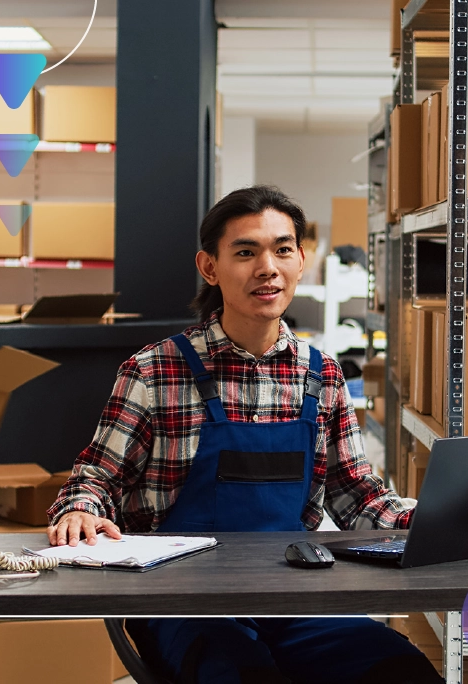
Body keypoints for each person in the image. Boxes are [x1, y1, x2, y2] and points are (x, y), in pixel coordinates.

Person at [47, 185, 442, 684]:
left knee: (401, 671)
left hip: (291, 597)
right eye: (245, 252)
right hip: (182, 605)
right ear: (209, 267)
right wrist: (81, 508)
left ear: (301, 259)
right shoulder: (154, 371)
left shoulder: (320, 376)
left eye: (282, 249)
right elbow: (95, 479)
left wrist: (438, 521)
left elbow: (357, 496)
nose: (267, 267)